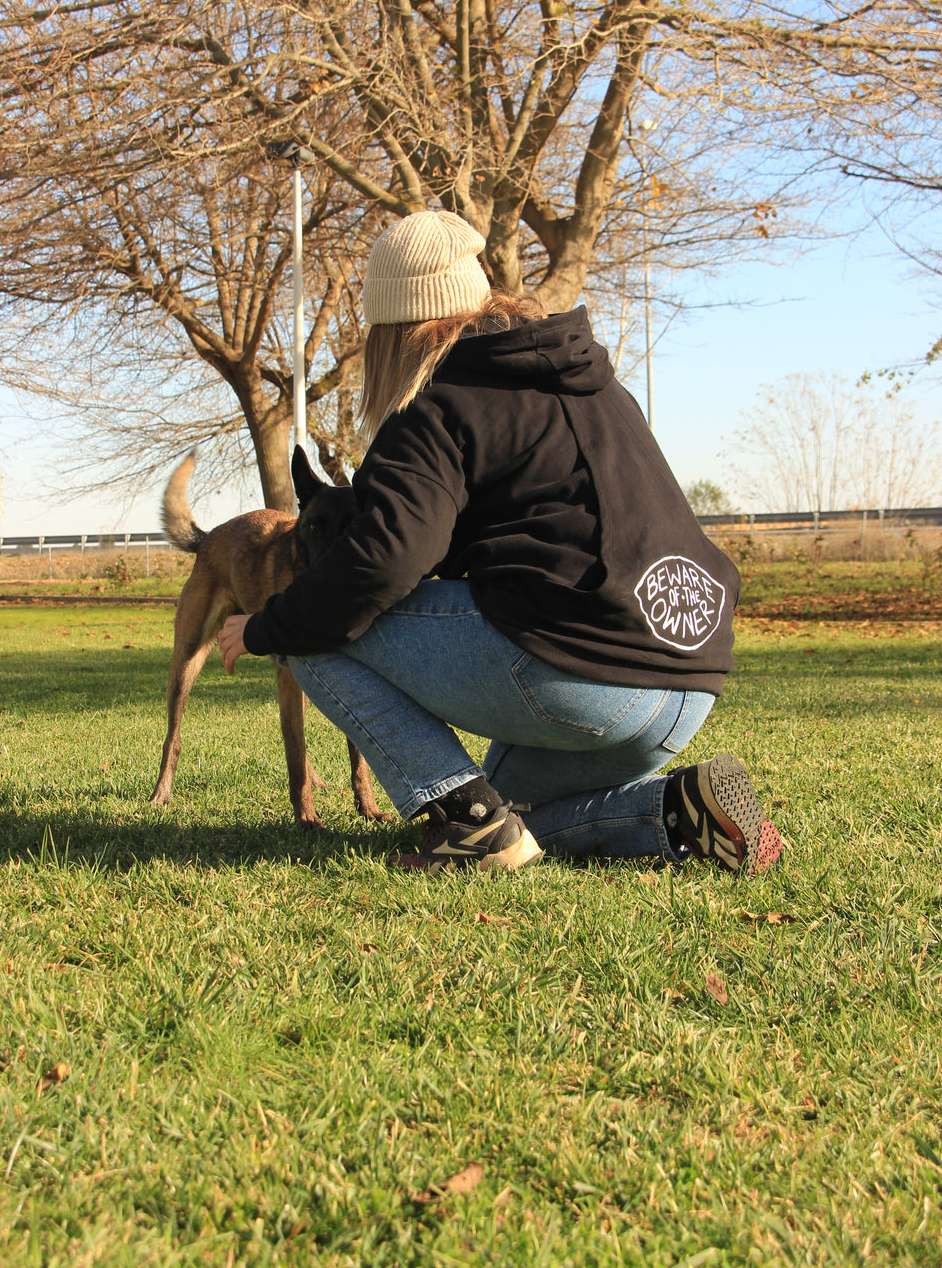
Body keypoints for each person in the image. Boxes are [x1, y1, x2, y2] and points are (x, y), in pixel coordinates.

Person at [218, 211, 783, 878]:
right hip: (686, 685)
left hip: (587, 674)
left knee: (307, 626)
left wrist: (263, 627)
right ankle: (678, 812)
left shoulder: (439, 399)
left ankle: (467, 824)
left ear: (394, 324)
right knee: (512, 814)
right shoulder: (591, 383)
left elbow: (377, 565)